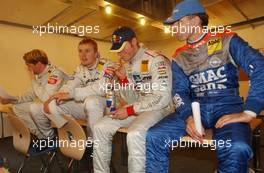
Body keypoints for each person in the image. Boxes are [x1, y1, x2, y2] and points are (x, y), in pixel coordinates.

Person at [146, 0, 264, 173]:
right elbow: (179, 91)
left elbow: (260, 67)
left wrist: (250, 111)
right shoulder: (178, 56)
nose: (174, 28)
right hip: (195, 109)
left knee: (236, 148)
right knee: (154, 136)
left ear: (195, 21)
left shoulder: (227, 39)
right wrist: (188, 117)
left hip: (227, 107)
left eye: (178, 23)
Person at [93, 26, 172, 173]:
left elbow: (162, 97)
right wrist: (123, 80)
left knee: (134, 134)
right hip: (139, 108)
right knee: (99, 127)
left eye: (123, 48)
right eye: (118, 50)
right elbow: (133, 98)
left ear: (134, 42)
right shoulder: (128, 64)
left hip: (159, 108)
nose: (121, 54)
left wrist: (129, 109)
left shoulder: (156, 60)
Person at [42, 38, 113, 139]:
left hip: (108, 106)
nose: (83, 55)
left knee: (91, 101)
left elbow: (102, 88)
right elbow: (69, 86)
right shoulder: (80, 69)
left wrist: (71, 94)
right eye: (80, 51)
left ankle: (92, 142)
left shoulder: (108, 65)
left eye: (87, 51)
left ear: (96, 53)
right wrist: (52, 98)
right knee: (52, 104)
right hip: (88, 106)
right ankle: (74, 135)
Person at [0, 49, 67, 139]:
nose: (28, 68)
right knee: (18, 107)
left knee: (34, 108)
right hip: (51, 106)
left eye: (29, 65)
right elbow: (29, 95)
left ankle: (50, 138)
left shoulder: (56, 73)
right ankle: (41, 137)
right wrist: (11, 100)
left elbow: (46, 98)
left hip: (64, 107)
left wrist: (33, 80)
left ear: (38, 63)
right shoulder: (40, 75)